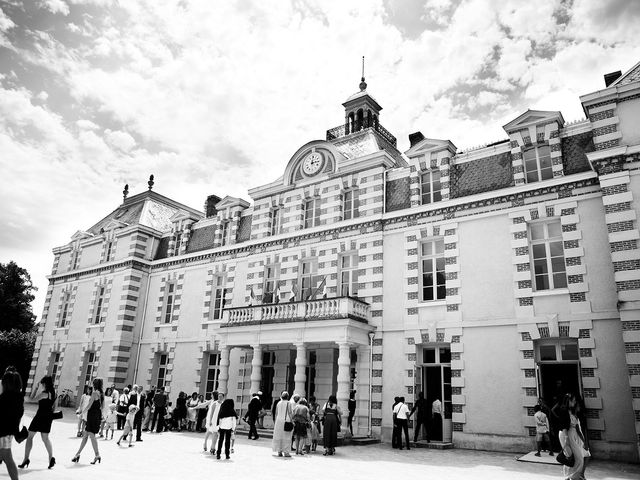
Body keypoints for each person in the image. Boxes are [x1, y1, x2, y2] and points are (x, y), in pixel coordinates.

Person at [20, 375, 56, 469]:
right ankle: (51, 458)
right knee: (45, 439)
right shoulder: (53, 392)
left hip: (40, 416)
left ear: (44, 384)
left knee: (29, 437)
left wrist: (35, 389)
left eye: (42, 384)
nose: (41, 385)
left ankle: (26, 459)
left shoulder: (44, 393)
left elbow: (31, 400)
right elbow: (54, 406)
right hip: (48, 417)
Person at [553, 393, 590, 480]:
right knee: (573, 457)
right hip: (566, 435)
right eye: (573, 401)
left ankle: (571, 476)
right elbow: (563, 426)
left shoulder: (570, 411)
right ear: (568, 401)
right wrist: (566, 440)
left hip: (570, 435)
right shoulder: (564, 411)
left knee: (575, 457)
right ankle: (572, 476)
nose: (574, 402)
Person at [72, 377, 104, 465]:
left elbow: (89, 405)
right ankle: (77, 454)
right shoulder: (101, 393)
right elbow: (102, 407)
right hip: (96, 415)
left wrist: (81, 412)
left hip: (92, 416)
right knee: (85, 436)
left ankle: (97, 455)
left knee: (91, 436)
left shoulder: (94, 393)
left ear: (94, 384)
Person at [0, 368, 25, 480]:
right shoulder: (18, 399)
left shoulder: (4, 399)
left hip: (2, 433)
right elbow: (17, 418)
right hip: (9, 433)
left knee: (8, 460)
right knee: (8, 460)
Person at [272, 391, 293, 457]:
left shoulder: (279, 403)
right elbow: (290, 412)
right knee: (286, 436)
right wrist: (292, 421)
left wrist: (275, 422)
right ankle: (286, 452)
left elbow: (276, 413)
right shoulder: (288, 403)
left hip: (278, 421)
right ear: (287, 396)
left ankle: (279, 451)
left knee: (279, 436)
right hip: (286, 420)